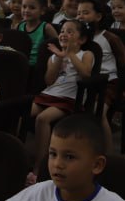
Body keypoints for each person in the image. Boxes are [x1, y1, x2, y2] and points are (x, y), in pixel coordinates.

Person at [29, 19, 94, 181]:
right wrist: (59, 58)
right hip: (49, 94)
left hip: (69, 98)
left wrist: (70, 54)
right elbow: (49, 80)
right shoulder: (53, 57)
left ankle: (39, 166)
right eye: (62, 31)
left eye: (70, 32)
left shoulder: (85, 54)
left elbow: (86, 75)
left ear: (81, 39)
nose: (64, 34)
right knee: (22, 111)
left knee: (43, 118)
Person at [16, 0, 52, 70]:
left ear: (42, 11)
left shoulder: (46, 27)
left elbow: (58, 44)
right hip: (19, 64)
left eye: (32, 8)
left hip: (37, 67)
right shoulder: (19, 26)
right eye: (24, 6)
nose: (26, 10)